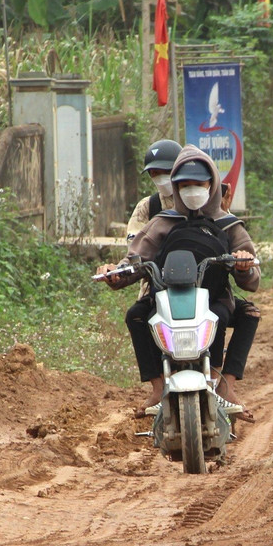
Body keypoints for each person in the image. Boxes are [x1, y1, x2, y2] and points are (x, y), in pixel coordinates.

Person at [97, 145, 260, 419]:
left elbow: (253, 279)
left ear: (212, 185)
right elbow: (135, 260)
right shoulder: (161, 222)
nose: (192, 190)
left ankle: (224, 385)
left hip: (215, 300)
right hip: (165, 300)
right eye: (185, 185)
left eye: (199, 184)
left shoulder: (230, 225)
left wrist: (243, 264)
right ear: (176, 186)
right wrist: (116, 272)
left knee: (245, 313)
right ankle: (158, 388)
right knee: (136, 315)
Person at [125, 139, 182, 243]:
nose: (161, 178)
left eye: (167, 171)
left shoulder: (197, 202)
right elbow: (134, 244)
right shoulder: (146, 206)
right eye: (155, 173)